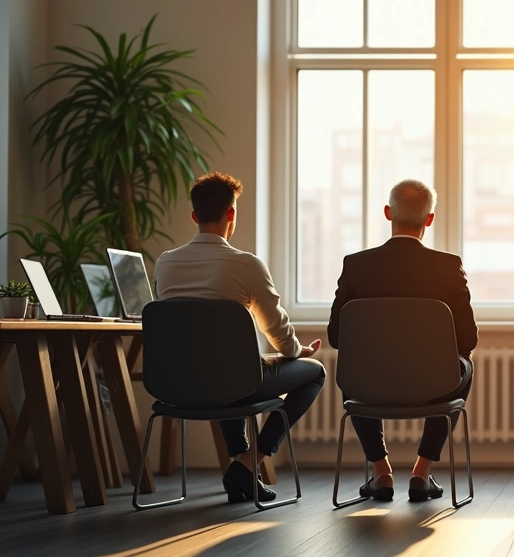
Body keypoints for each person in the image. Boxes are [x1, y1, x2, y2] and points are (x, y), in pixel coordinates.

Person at [156, 172, 325, 503]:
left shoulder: (165, 263)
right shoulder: (246, 264)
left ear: (194, 216)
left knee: (218, 368)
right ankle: (249, 463)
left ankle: (241, 469)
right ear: (231, 214)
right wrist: (298, 350)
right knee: (315, 373)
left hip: (179, 383)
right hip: (231, 382)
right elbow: (277, 333)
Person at [328, 179, 477, 502]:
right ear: (429, 219)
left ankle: (381, 472)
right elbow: (468, 339)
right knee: (466, 366)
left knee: (352, 368)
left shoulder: (356, 266)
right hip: (434, 385)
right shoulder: (448, 267)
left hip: (369, 384)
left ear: (387, 213)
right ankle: (421, 473)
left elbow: (337, 337)